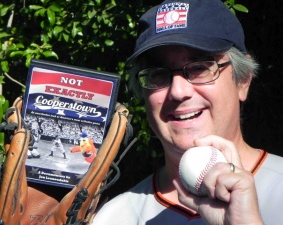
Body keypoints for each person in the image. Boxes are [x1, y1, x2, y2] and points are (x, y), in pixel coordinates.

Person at [92, 0, 283, 224]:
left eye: (200, 67)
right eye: (158, 74)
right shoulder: (114, 217)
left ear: (243, 81)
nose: (178, 91)